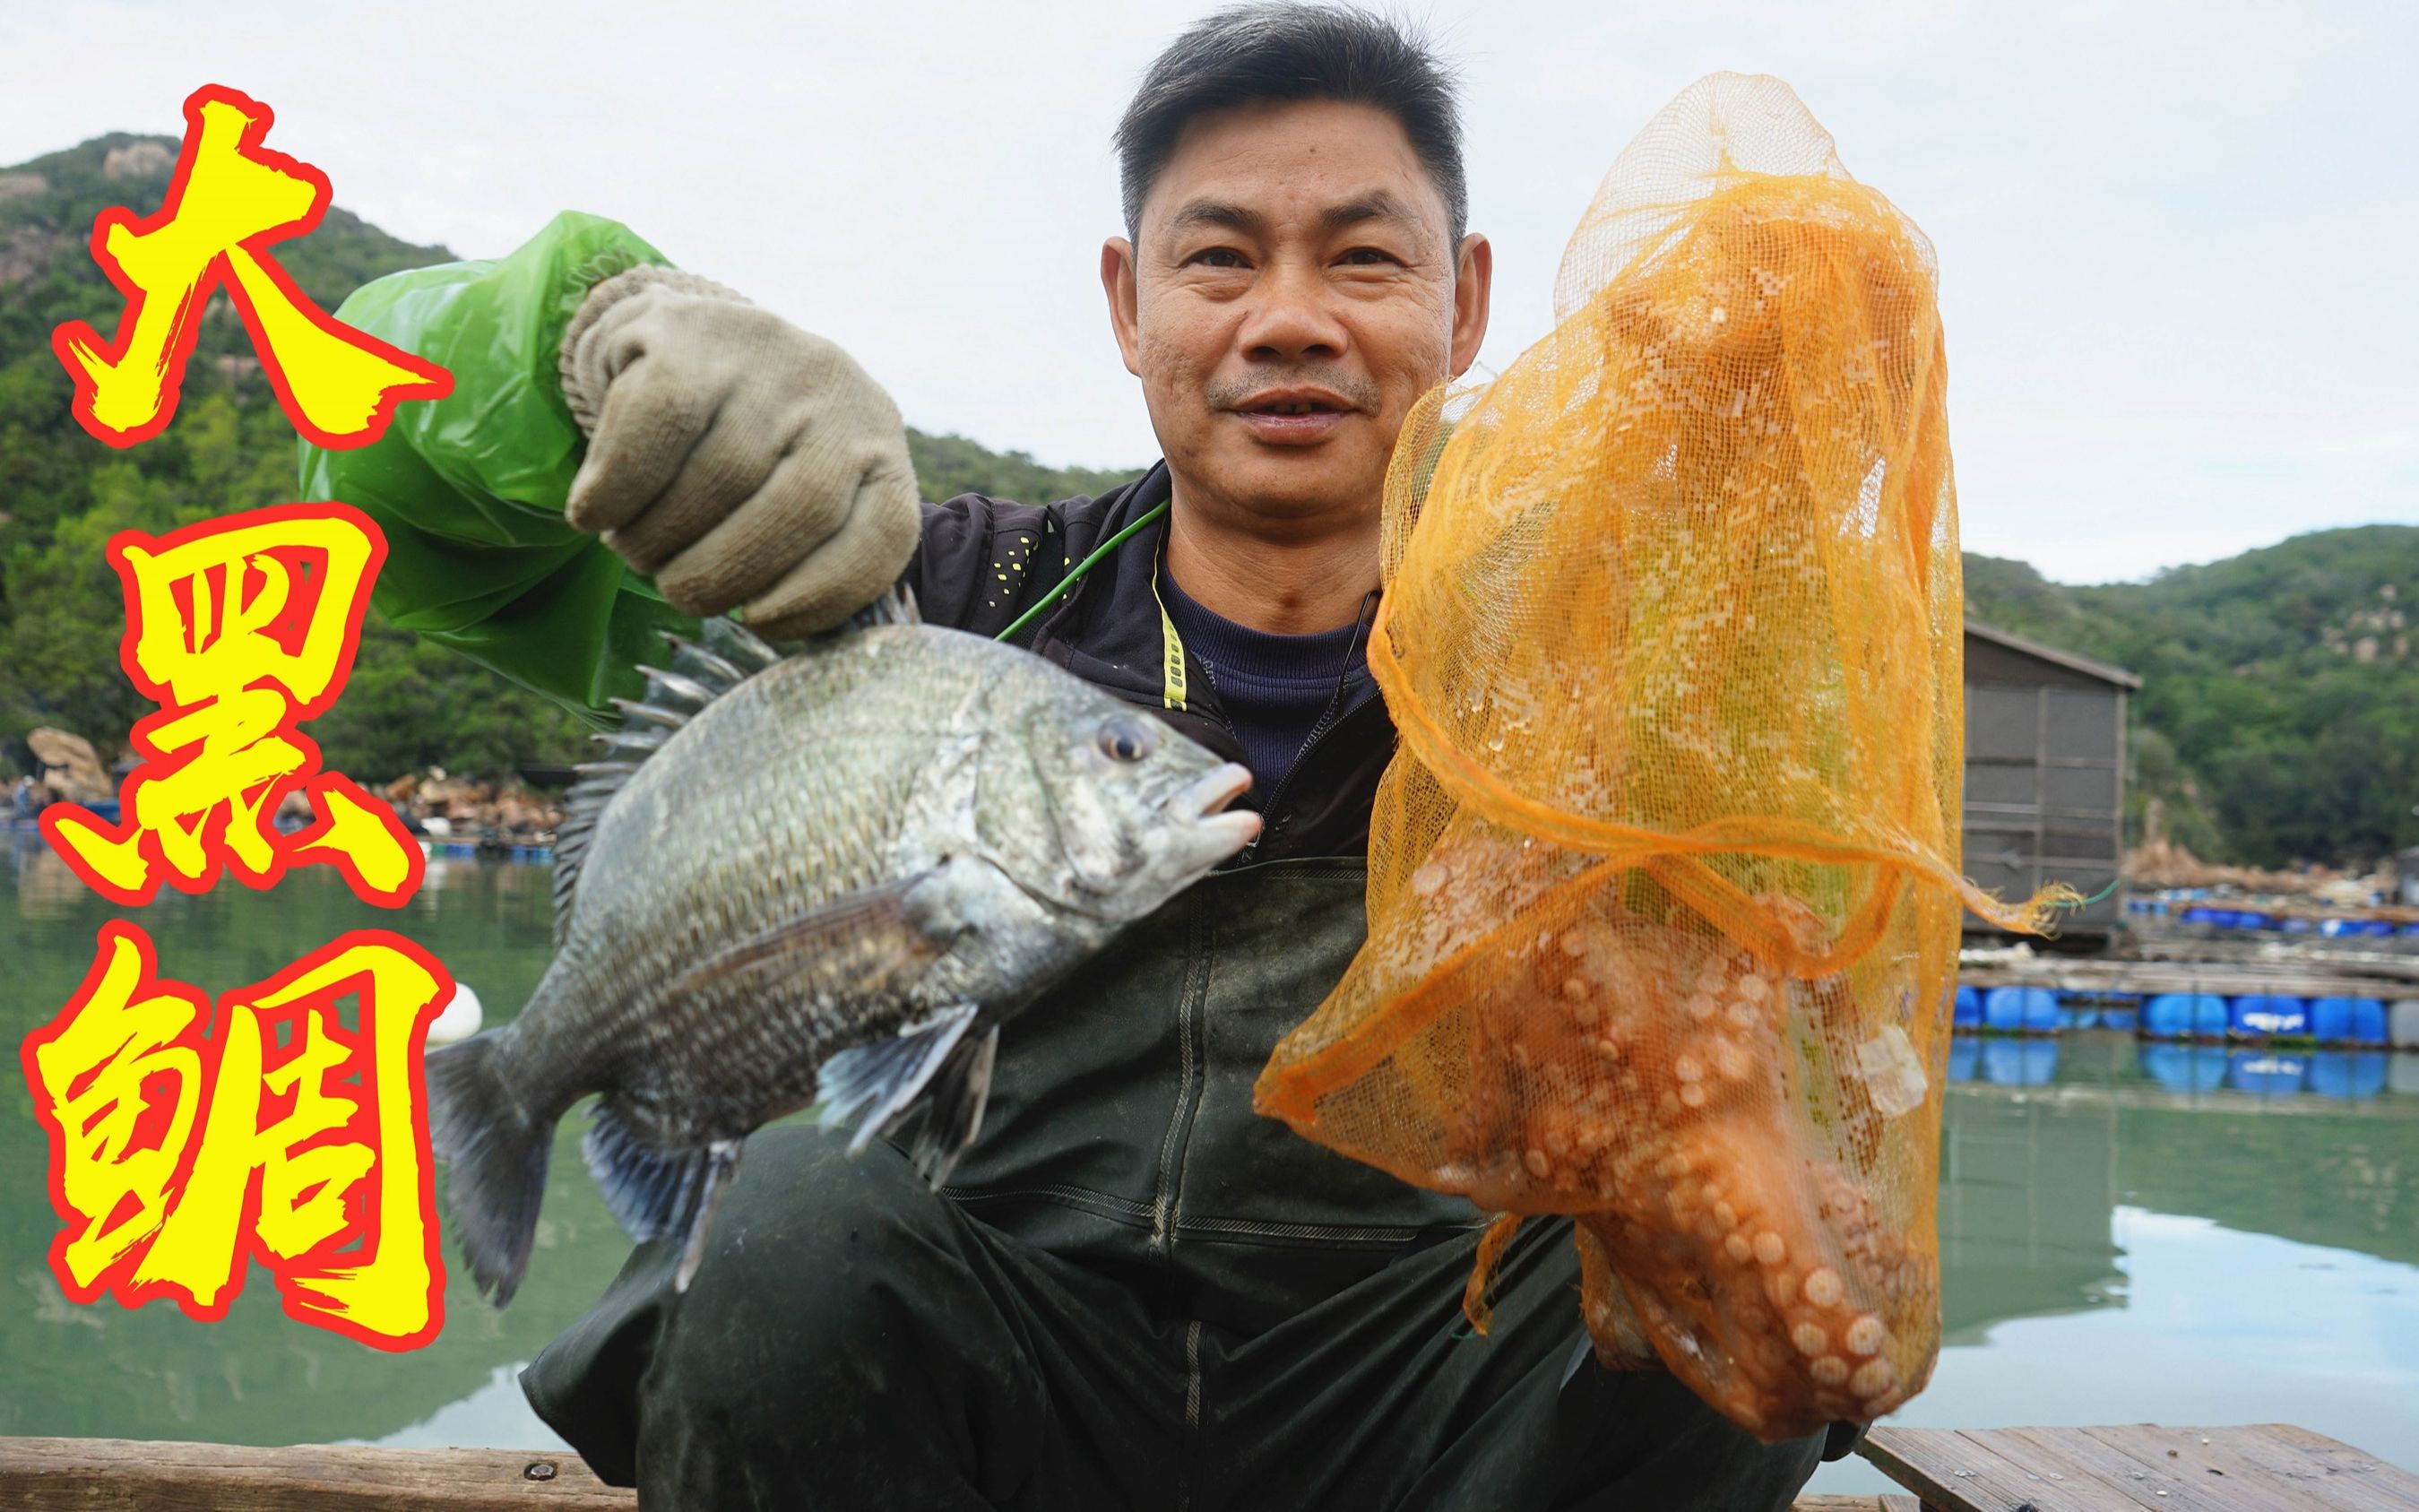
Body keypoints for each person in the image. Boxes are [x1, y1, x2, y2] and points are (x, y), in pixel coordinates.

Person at [307, 5, 1860, 1505]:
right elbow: (375, 459)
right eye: (1221, 258)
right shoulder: (905, 610)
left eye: (1365, 257)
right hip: (997, 1378)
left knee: (1727, 1271)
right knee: (785, 1220)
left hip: (1433, 1404)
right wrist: (579, 335)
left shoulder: (1585, 667)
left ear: (1463, 300)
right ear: (1128, 303)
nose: (1291, 319)